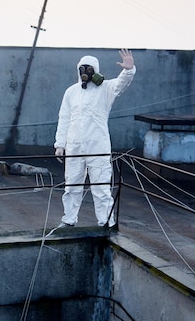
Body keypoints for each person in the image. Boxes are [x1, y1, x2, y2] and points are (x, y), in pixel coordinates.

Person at [54, 49, 136, 227]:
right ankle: (69, 219)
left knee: (100, 186)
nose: (85, 72)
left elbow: (121, 84)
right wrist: (60, 144)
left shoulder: (105, 88)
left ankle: (105, 222)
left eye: (89, 68)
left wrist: (128, 70)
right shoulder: (71, 92)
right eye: (82, 68)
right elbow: (64, 118)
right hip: (75, 145)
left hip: (97, 145)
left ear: (95, 70)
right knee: (72, 185)